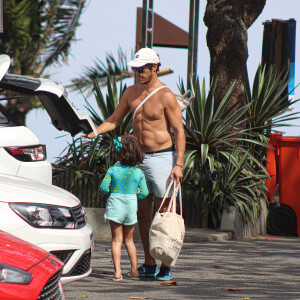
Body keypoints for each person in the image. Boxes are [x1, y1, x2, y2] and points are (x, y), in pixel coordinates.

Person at [84, 47, 185, 281]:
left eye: (142, 69)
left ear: (155, 68)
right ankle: (150, 263)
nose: (137, 73)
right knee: (141, 213)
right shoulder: (130, 92)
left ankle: (165, 264)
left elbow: (179, 131)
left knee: (164, 214)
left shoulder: (166, 95)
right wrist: (93, 132)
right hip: (137, 160)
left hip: (162, 158)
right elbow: (114, 120)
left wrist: (178, 164)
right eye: (135, 69)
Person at [100, 134, 149, 281]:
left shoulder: (113, 170)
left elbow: (103, 188)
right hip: (131, 206)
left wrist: (113, 193)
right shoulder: (138, 172)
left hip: (115, 204)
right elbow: (145, 193)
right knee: (129, 240)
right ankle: (134, 270)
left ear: (118, 152)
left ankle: (117, 272)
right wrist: (135, 196)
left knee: (116, 240)